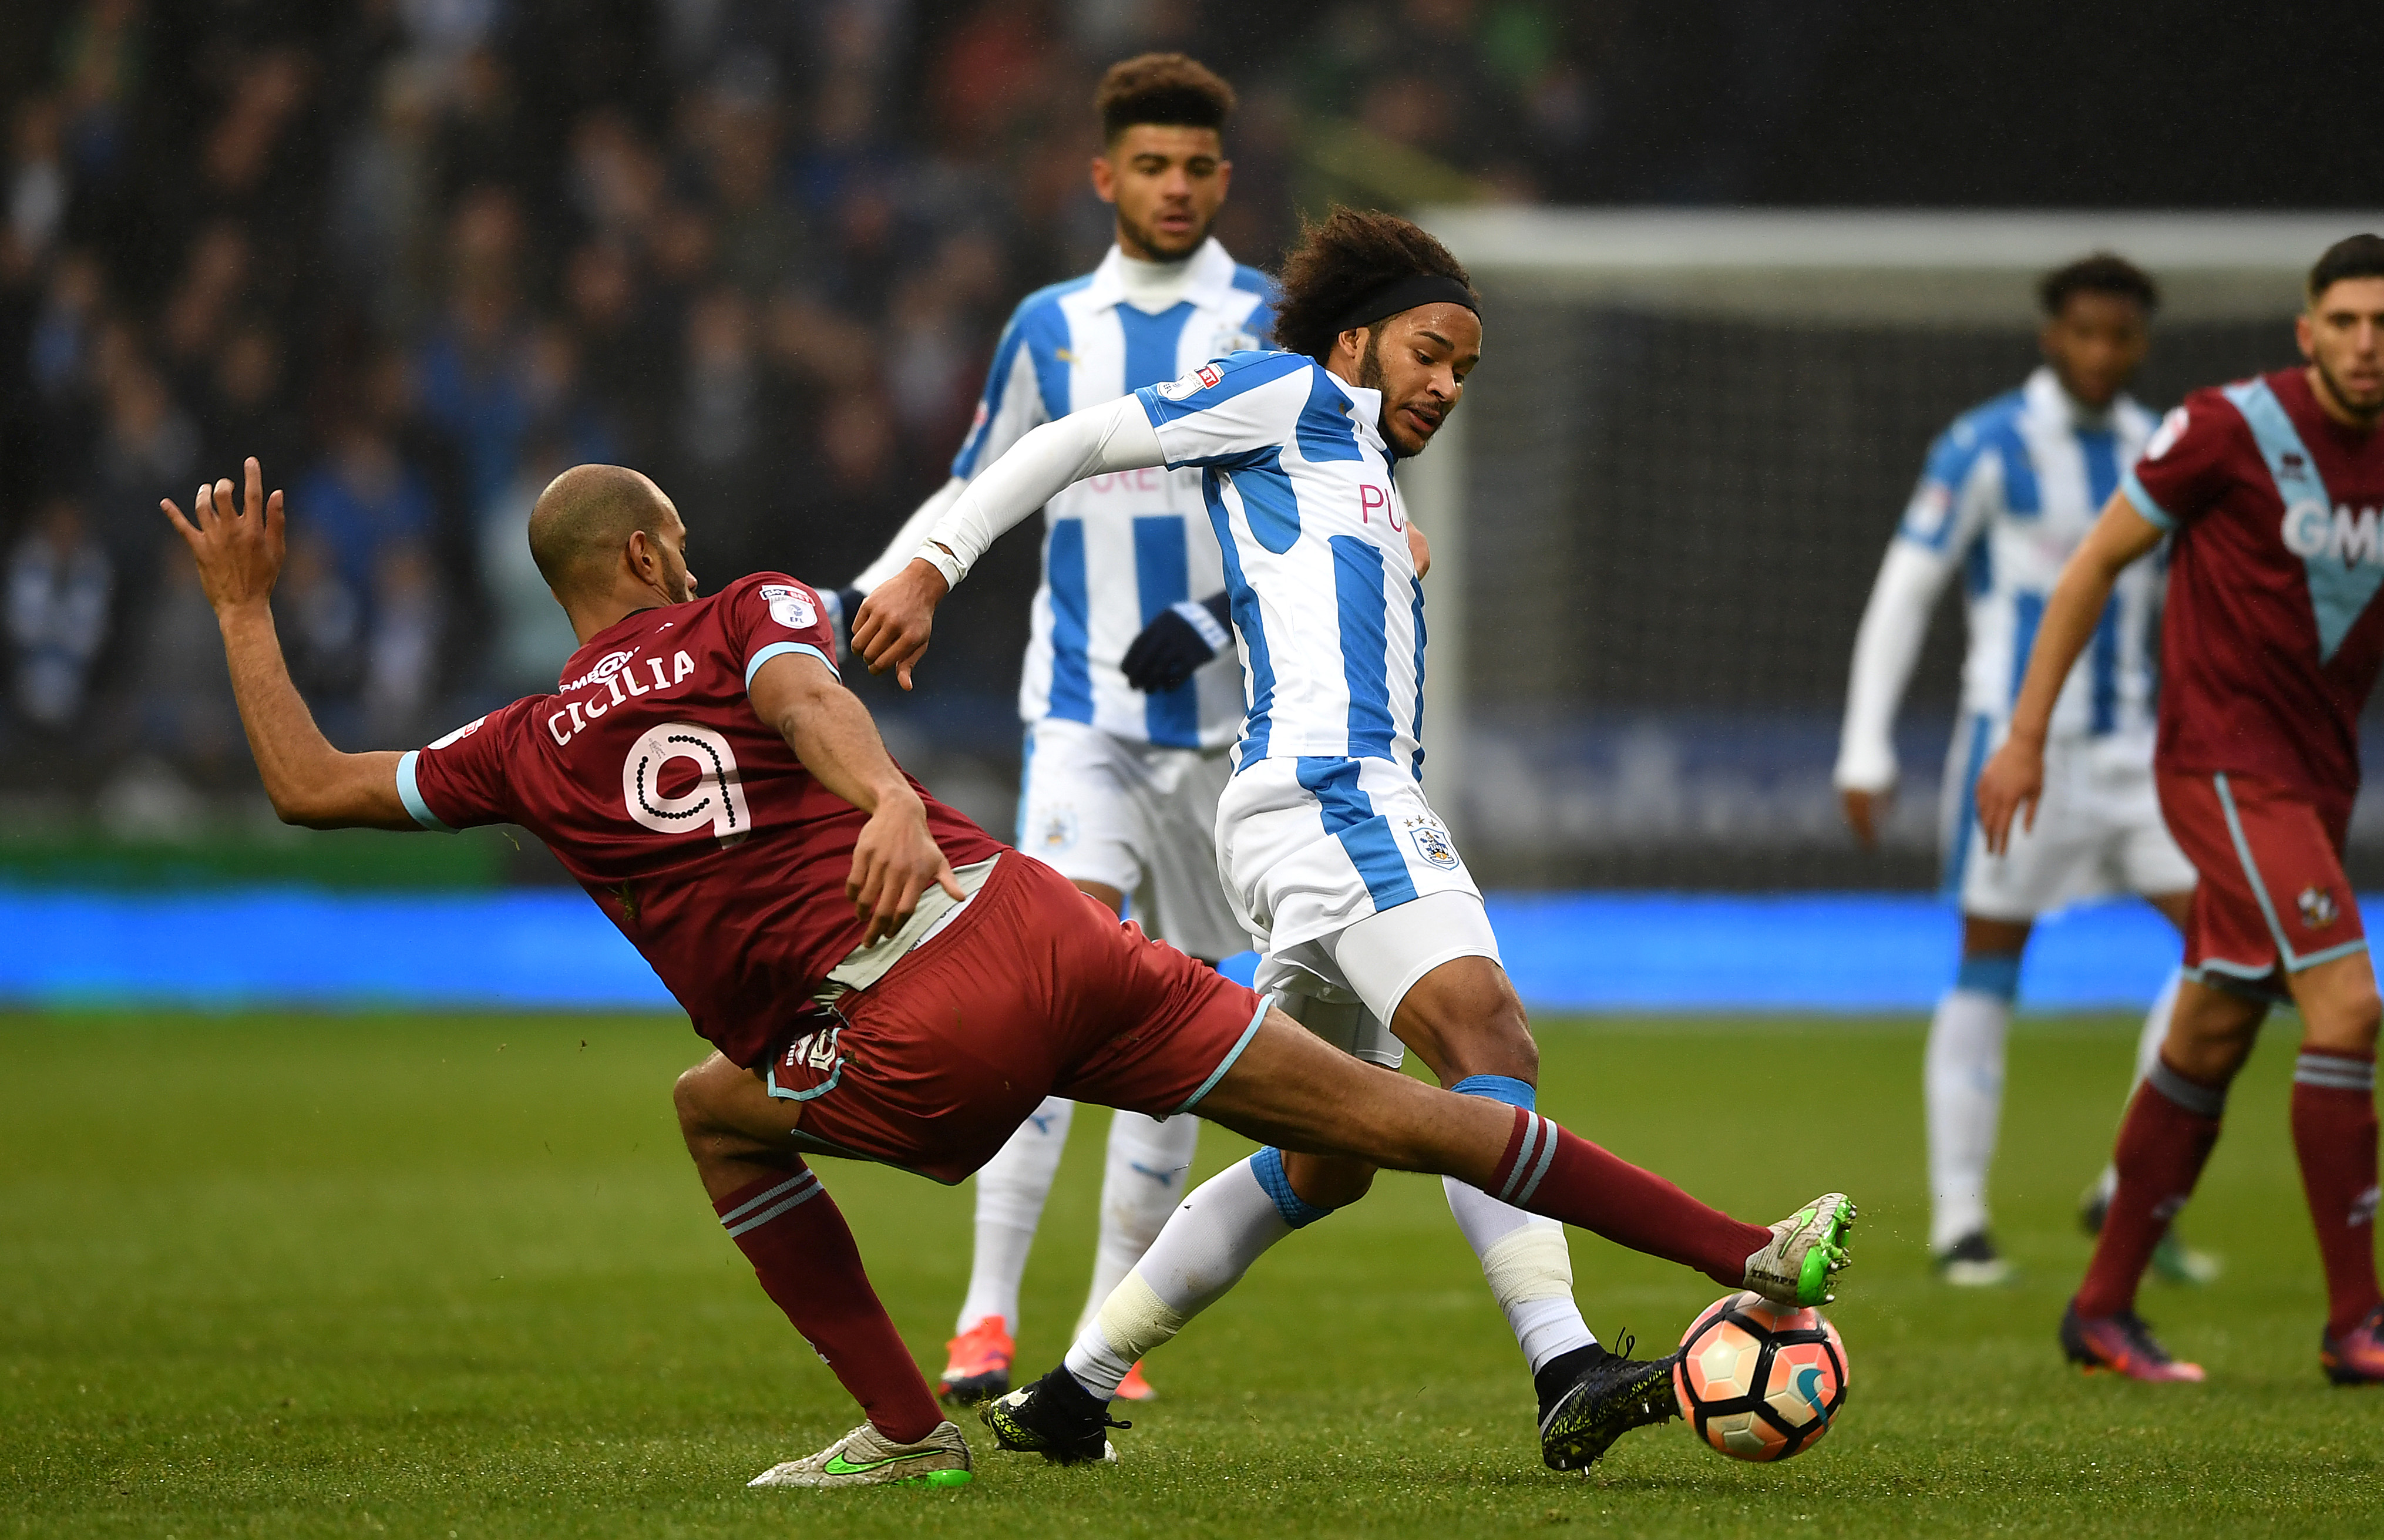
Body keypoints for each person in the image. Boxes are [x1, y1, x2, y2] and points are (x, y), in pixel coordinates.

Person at [162, 455, 1857, 1486]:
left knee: (713, 1110)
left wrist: (245, 603)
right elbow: (806, 696)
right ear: (653, 556)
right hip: (1043, 922)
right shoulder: (748, 603)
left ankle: (906, 1429)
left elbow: (311, 783)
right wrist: (892, 788)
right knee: (1405, 1114)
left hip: (915, 1020)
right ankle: (1757, 1247)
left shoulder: (517, 744)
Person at [850, 209, 1707, 1474]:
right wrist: (929, 561)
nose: (1446, 386)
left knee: (1323, 1159)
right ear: (1354, 338)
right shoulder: (1286, 389)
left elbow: (1282, 579)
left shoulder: (1354, 470)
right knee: (1487, 1043)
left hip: (1300, 809)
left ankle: (1074, 1389)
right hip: (1336, 800)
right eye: (1429, 352)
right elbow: (1078, 437)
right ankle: (1565, 1364)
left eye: (1464, 370)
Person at [1975, 235, 2384, 1385]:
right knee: (2345, 1008)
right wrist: (2024, 734)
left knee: (2210, 1033)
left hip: (2312, 784)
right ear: (2304, 332)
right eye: (2341, 321)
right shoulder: (2223, 427)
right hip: (2220, 771)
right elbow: (2089, 563)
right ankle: (2355, 1323)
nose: (2362, 342)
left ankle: (2097, 1311)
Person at [832, 53, 1272, 1407]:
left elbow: (1312, 500)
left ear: (1224, 178)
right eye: (1152, 165)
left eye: (1197, 167)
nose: (1176, 187)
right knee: (1060, 976)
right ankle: (983, 1313)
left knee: (1178, 1012)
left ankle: (1104, 1334)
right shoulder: (1048, 324)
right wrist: (866, 598)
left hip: (1226, 730)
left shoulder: (1267, 313)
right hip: (1081, 708)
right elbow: (982, 482)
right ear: (1105, 178)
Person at [1836, 254, 2211, 1288]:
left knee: (2227, 947)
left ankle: (2128, 1185)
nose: (2101, 352)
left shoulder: (2161, 448)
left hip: (2140, 753)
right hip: (2015, 753)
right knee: (1990, 962)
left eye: (2120, 336)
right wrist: (1865, 742)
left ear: (2140, 343)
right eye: (2083, 332)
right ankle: (1961, 1218)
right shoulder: (1988, 442)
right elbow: (1908, 585)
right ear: (2053, 335)